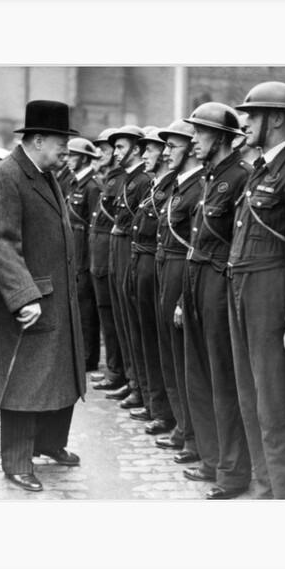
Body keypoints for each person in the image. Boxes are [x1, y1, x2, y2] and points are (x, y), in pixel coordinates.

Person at [0, 100, 86, 493]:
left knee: (58, 377)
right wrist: (23, 297)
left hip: (54, 296)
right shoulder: (6, 177)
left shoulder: (43, 172)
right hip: (30, 302)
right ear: (38, 140)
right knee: (26, 382)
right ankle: (17, 462)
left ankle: (50, 443)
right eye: (61, 142)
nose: (67, 150)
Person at [228, 82, 285, 499]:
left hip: (273, 293)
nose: (245, 122)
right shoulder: (262, 170)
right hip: (243, 288)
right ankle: (265, 487)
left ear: (278, 118)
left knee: (277, 404)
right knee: (250, 397)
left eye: (252, 114)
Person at [179, 103, 253, 499]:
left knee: (223, 377)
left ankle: (232, 472)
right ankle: (210, 458)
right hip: (196, 276)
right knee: (199, 373)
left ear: (221, 138)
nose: (193, 141)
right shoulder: (211, 177)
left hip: (219, 279)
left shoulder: (240, 176)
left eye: (201, 134)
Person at [148, 119, 205, 463]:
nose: (167, 152)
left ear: (190, 147)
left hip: (181, 267)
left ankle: (193, 434)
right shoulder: (179, 185)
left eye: (173, 146)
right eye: (165, 146)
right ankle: (181, 426)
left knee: (184, 356)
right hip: (163, 264)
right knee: (169, 351)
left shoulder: (199, 185)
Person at [125, 127, 171, 423]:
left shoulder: (170, 187)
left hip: (156, 265)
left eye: (150, 150)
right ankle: (153, 402)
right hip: (139, 260)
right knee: (143, 336)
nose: (144, 155)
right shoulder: (156, 186)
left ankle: (162, 409)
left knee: (157, 341)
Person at [106, 125, 152, 411]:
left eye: (121, 147)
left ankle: (139, 384)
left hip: (130, 247)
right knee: (122, 317)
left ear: (136, 149)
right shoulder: (128, 179)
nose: (115, 152)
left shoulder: (143, 180)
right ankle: (132, 379)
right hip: (119, 244)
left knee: (131, 318)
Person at [88, 128, 128, 392]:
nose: (101, 153)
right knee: (106, 312)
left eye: (104, 148)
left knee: (113, 316)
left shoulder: (120, 179)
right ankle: (115, 368)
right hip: (101, 251)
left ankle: (118, 371)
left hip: (111, 251)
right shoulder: (109, 178)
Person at [65, 137, 103, 372]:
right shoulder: (75, 183)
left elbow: (94, 226)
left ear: (85, 158)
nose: (68, 159)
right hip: (74, 251)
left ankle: (90, 357)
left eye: (73, 155)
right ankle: (81, 353)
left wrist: (89, 260)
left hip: (86, 254)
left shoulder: (93, 186)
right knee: (78, 305)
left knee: (87, 307)